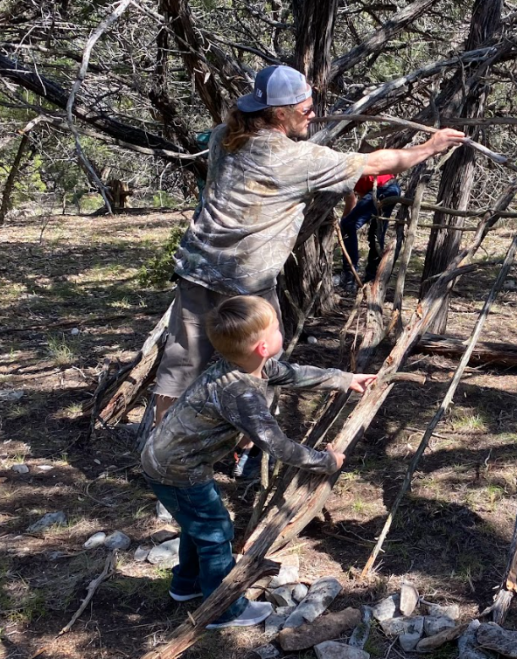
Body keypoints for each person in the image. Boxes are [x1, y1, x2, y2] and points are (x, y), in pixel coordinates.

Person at [151, 64, 464, 423]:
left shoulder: (225, 135)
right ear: (280, 113)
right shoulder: (298, 159)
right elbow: (377, 163)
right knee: (262, 366)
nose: (313, 114)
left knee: (181, 366)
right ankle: (249, 452)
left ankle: (162, 449)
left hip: (197, 270)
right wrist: (431, 146)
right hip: (247, 282)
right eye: (305, 108)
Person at [141, 296, 377, 629]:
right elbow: (277, 445)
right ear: (263, 347)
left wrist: (343, 378)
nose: (282, 329)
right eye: (277, 328)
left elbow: (292, 374)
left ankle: (187, 585)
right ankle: (222, 609)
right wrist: (326, 461)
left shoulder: (245, 365)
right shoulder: (241, 393)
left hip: (168, 459)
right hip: (176, 469)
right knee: (214, 530)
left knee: (199, 525)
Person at [339, 153, 403, 290]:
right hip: (392, 188)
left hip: (382, 189)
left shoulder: (340, 173)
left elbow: (351, 200)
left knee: (348, 225)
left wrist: (343, 223)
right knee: (376, 233)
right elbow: (362, 197)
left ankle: (349, 276)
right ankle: (371, 278)